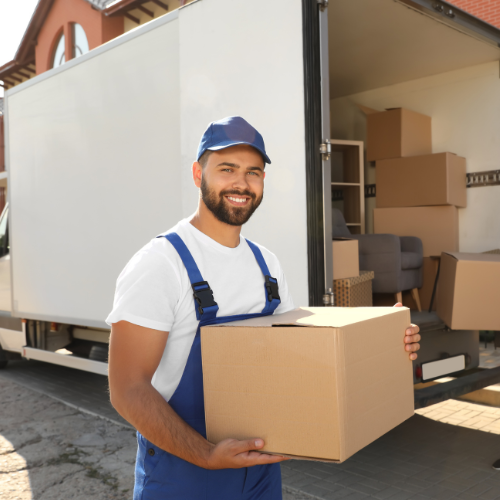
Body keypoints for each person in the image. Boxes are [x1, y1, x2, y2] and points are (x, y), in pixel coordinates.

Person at [107, 116, 421, 500]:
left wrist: (386, 348)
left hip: (260, 475)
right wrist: (206, 455)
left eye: (253, 173)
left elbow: (299, 356)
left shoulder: (266, 264)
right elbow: (127, 389)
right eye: (227, 169)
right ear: (197, 174)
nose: (241, 183)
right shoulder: (161, 263)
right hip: (184, 476)